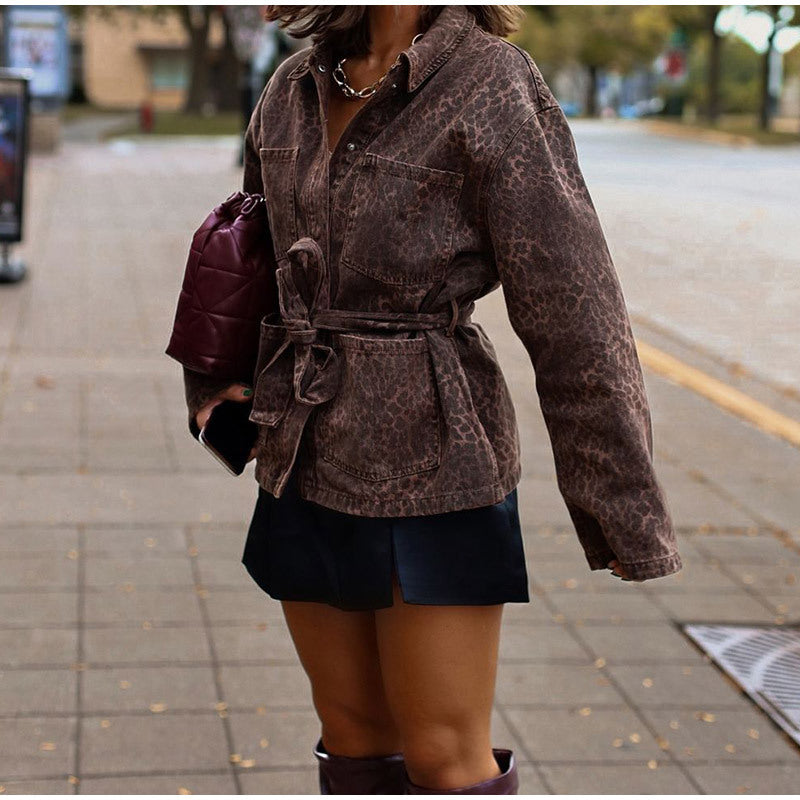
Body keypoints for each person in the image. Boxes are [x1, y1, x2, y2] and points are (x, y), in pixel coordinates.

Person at [179, 5, 683, 794]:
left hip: (433, 458)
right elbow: (246, 252)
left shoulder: (491, 82)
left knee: (445, 759)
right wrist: (213, 389)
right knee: (351, 741)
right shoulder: (292, 86)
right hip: (303, 453)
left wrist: (617, 503)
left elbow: (574, 308)